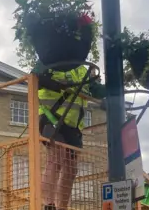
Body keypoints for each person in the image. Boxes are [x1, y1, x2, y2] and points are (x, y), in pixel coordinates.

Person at [36, 63, 105, 210]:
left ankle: (62, 207)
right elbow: (35, 77)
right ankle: (48, 204)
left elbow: (97, 91)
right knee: (57, 156)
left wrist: (112, 91)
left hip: (73, 126)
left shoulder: (83, 71)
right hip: (52, 117)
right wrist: (56, 84)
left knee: (72, 168)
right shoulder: (51, 60)